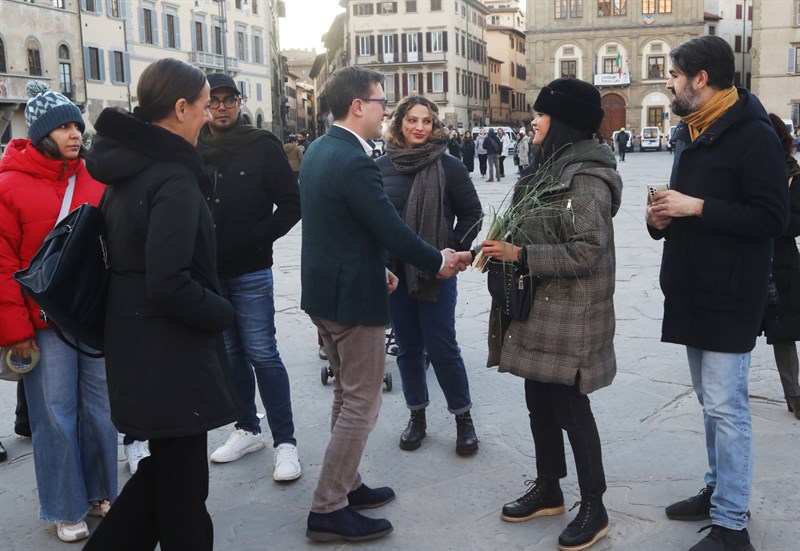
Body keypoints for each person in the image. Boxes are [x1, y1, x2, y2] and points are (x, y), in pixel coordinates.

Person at [299, 66, 471, 542]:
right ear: (358, 105)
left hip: (327, 293)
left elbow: (338, 227)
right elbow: (387, 227)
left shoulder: (319, 149)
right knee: (362, 402)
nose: (386, 111)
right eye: (381, 102)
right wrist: (436, 259)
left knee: (345, 394)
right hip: (351, 300)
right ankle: (328, 506)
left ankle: (345, 484)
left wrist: (377, 266)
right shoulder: (354, 159)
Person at [82, 58, 238, 550]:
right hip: (167, 349)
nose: (209, 112)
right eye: (204, 102)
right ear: (179, 108)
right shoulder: (171, 175)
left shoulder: (129, 165)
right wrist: (222, 312)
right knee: (184, 486)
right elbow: (168, 281)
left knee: (174, 479)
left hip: (138, 339)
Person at [646, 36, 788, 551]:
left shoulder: (754, 135)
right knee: (710, 402)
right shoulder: (690, 130)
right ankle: (717, 489)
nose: (668, 81)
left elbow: (773, 218)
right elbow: (683, 205)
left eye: (673, 72)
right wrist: (659, 217)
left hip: (732, 291)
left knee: (727, 407)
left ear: (700, 78)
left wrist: (696, 207)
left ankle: (731, 523)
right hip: (691, 286)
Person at [481, 77, 621, 551]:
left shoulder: (584, 177)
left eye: (541, 114)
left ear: (562, 121)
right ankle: (549, 487)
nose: (533, 120)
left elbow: (587, 251)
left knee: (570, 409)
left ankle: (594, 505)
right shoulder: (547, 166)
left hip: (571, 314)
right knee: (538, 400)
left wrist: (520, 253)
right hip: (538, 308)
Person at [0, 81, 118, 543]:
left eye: (76, 124)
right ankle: (63, 506)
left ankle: (97, 493)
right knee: (54, 416)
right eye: (64, 126)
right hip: (41, 323)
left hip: (90, 317)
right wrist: (15, 331)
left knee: (101, 411)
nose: (75, 133)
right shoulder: (8, 185)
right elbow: (4, 263)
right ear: (41, 133)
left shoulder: (94, 176)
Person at [198, 73, 303, 481]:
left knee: (262, 353)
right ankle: (246, 427)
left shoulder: (262, 147)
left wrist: (256, 240)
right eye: (214, 101)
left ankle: (286, 443)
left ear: (239, 104)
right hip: (209, 271)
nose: (221, 107)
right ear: (203, 105)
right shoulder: (193, 148)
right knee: (229, 354)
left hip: (251, 270)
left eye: (228, 100)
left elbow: (292, 204)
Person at [376, 96, 483, 455]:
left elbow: (473, 214)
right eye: (412, 120)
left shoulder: (449, 166)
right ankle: (417, 416)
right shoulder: (380, 167)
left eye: (426, 121)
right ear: (399, 124)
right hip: (396, 274)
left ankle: (463, 418)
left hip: (437, 273)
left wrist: (449, 251)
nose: (419, 127)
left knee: (442, 346)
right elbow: (370, 222)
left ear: (435, 126)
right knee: (408, 348)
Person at [762, 113, 800, 420]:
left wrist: (769, 220)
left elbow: (798, 220)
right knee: (737, 330)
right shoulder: (747, 171)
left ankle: (794, 395)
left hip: (783, 261)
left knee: (784, 331)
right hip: (747, 257)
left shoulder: (793, 174)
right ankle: (729, 391)